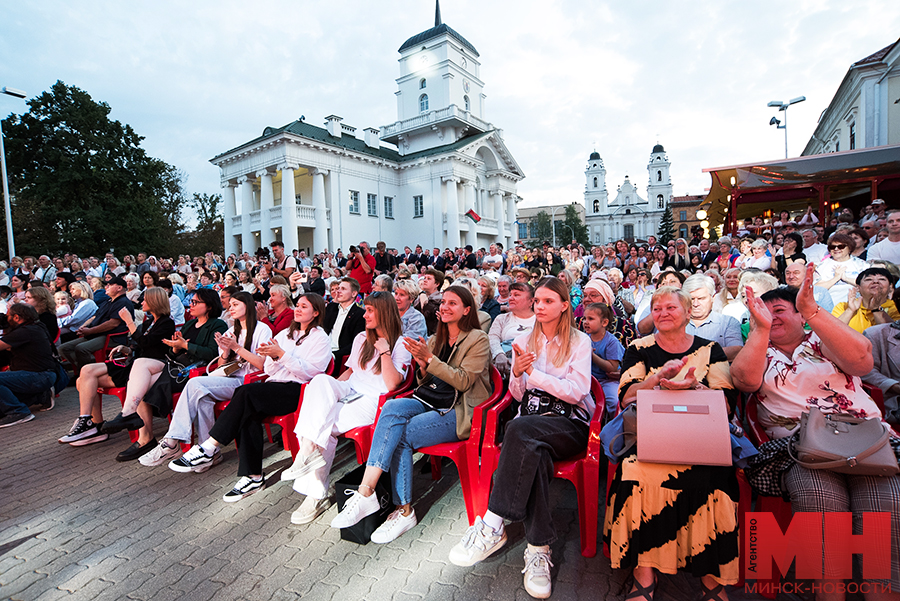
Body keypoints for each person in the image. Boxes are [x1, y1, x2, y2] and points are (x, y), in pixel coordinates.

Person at [731, 269, 900, 595]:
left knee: (887, 507)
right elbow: (745, 381)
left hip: (864, 438)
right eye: (763, 311)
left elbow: (863, 363)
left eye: (779, 309)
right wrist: (761, 329)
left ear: (801, 313)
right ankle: (830, 590)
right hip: (799, 448)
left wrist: (813, 312)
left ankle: (880, 591)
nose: (771, 316)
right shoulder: (759, 348)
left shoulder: (824, 340)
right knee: (822, 507)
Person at [447, 278, 591, 599]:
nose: (540, 306)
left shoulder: (579, 342)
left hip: (568, 425)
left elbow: (577, 392)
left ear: (564, 305)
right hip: (531, 427)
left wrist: (534, 374)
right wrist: (516, 374)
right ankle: (539, 548)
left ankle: (493, 522)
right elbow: (516, 395)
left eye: (547, 301)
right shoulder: (524, 340)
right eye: (537, 301)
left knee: (518, 429)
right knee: (530, 447)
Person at [605, 285, 740, 601]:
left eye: (671, 307)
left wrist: (694, 388)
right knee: (633, 471)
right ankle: (644, 575)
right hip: (651, 434)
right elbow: (627, 398)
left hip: (701, 436)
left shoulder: (710, 349)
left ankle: (712, 581)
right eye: (657, 308)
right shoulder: (639, 348)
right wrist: (657, 378)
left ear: (687, 312)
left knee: (717, 481)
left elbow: (727, 402)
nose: (663, 313)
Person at [328, 286, 491, 539]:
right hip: (428, 400)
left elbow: (463, 381)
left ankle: (403, 511)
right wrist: (424, 366)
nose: (445, 307)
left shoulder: (478, 339)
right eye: (443, 302)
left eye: (453, 303)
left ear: (467, 310)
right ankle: (366, 492)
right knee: (392, 407)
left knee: (401, 434)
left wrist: (430, 360)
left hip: (458, 410)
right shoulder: (436, 340)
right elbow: (423, 383)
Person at [170, 294, 332, 502]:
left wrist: (282, 355)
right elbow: (268, 368)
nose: (298, 309)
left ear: (316, 312)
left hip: (298, 391)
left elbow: (310, 374)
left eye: (304, 306)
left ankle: (210, 446)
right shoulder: (285, 334)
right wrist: (274, 356)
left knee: (245, 393)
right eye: (297, 305)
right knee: (247, 409)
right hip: (274, 386)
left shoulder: (320, 338)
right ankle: (253, 476)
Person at [282, 291, 411, 512]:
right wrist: (329, 392)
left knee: (324, 425)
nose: (365, 315)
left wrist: (385, 352)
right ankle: (308, 451)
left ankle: (315, 493)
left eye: (370, 311)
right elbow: (350, 371)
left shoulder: (400, 343)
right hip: (350, 389)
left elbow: (392, 385)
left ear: (385, 312)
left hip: (373, 401)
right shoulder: (362, 338)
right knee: (320, 382)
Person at [160, 292, 273, 471]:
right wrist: (226, 351)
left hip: (248, 382)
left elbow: (262, 365)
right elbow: (220, 365)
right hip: (228, 378)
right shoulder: (231, 330)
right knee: (203, 399)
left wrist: (236, 347)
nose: (231, 308)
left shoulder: (262, 329)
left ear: (247, 305)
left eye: (235, 304)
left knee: (195, 384)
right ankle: (210, 453)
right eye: (230, 305)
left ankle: (174, 438)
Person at [59, 288, 175, 452]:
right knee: (85, 372)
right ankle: (88, 421)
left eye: (145, 300)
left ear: (155, 301)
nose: (141, 302)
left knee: (84, 380)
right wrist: (125, 349)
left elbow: (147, 343)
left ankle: (94, 426)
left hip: (147, 368)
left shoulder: (166, 323)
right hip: (135, 363)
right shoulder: (149, 322)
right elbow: (139, 346)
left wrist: (129, 321)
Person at [58, 276, 134, 377]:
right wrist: (84, 327)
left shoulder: (123, 302)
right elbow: (95, 316)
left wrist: (90, 331)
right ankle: (87, 367)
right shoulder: (108, 301)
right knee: (63, 348)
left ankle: (88, 373)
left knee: (81, 349)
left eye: (110, 285)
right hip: (96, 334)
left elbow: (113, 323)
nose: (106, 287)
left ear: (119, 288)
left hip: (111, 337)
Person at [0, 304, 59, 427]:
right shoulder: (36, 326)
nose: (6, 319)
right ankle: (41, 396)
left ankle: (18, 412)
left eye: (7, 316)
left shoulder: (25, 331)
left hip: (39, 376)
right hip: (42, 374)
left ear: (16, 317)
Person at [582, 302, 624, 414]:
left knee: (614, 402)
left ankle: (612, 424)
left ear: (604, 322)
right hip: (587, 379)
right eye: (584, 318)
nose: (585, 322)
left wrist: (591, 355)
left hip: (607, 381)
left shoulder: (611, 342)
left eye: (590, 319)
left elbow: (612, 368)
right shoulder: (583, 338)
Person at [831, 267, 899, 333]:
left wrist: (876, 309)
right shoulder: (843, 307)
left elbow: (894, 335)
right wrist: (850, 310)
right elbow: (830, 334)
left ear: (890, 287)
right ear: (858, 287)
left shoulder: (897, 306)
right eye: (869, 279)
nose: (875, 282)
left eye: (882, 279)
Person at [815, 232, 869, 307]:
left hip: (856, 306)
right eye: (832, 247)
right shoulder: (821, 266)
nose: (836, 249)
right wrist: (836, 278)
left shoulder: (862, 265)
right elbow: (816, 289)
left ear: (850, 248)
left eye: (841, 246)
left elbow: (868, 285)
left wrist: (846, 279)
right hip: (828, 308)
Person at [324, 277, 366, 367]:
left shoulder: (360, 314)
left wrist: (334, 355)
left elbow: (355, 344)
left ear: (354, 293)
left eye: (343, 289)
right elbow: (322, 330)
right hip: (322, 350)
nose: (338, 291)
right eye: (338, 288)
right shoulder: (331, 308)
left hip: (339, 357)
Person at [414, 268, 444, 335]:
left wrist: (422, 293)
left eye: (429, 279)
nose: (425, 280)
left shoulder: (440, 300)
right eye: (425, 278)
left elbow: (427, 312)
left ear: (437, 284)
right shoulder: (418, 297)